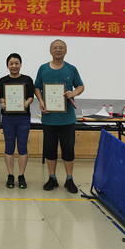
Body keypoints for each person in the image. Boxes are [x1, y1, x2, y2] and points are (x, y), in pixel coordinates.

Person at [34, 39, 84, 194]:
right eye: (55, 48)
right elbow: (37, 87)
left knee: (68, 149)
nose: (58, 50)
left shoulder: (71, 69)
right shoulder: (43, 68)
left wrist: (73, 93)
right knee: (50, 149)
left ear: (66, 51)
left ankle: (69, 179)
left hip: (67, 118)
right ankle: (52, 177)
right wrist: (41, 101)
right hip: (49, 118)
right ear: (50, 51)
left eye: (61, 48)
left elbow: (80, 86)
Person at [0, 53, 34, 189]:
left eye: (16, 63)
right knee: (9, 147)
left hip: (23, 117)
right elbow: (1, 97)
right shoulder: (3, 80)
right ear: (7, 65)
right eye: (11, 63)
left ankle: (21, 175)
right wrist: (3, 102)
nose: (14, 66)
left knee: (23, 147)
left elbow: (31, 96)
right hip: (8, 118)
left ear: (21, 64)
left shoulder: (27, 79)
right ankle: (10, 175)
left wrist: (26, 103)